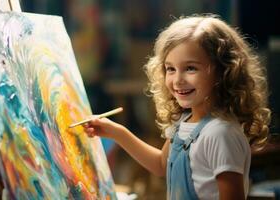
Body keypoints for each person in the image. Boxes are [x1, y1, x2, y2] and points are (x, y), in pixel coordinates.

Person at [83, 15, 271, 200]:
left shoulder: (221, 134)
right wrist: (117, 132)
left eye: (190, 68)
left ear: (224, 71)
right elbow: (161, 165)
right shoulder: (184, 122)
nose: (178, 80)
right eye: (170, 69)